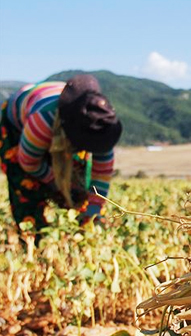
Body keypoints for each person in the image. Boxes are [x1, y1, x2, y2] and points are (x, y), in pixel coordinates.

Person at [1, 74, 122, 233]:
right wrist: (55, 182)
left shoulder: (101, 124)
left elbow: (101, 174)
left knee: (78, 181)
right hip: (16, 126)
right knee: (26, 185)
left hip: (62, 122)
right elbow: (28, 162)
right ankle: (34, 235)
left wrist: (93, 212)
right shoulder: (43, 119)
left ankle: (75, 228)